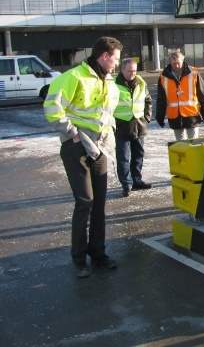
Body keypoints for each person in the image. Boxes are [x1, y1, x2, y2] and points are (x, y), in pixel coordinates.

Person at [43, 36, 122, 277]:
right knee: (85, 201)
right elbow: (52, 106)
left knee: (99, 203)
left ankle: (98, 253)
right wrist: (72, 133)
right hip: (76, 147)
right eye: (116, 59)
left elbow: (107, 114)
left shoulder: (109, 81)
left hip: (99, 148)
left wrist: (109, 137)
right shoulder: (74, 77)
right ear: (105, 56)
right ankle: (79, 259)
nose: (117, 64)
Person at [114, 58, 152, 197]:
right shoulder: (113, 84)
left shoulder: (141, 82)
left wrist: (147, 117)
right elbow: (107, 105)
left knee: (138, 155)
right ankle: (126, 184)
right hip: (121, 126)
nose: (132, 73)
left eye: (135, 70)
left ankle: (137, 181)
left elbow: (148, 100)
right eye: (129, 71)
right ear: (122, 70)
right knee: (123, 157)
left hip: (139, 125)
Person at [156, 50, 204, 140]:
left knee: (193, 143)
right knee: (180, 144)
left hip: (192, 115)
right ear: (170, 62)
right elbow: (161, 99)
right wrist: (159, 116)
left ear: (183, 60)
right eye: (173, 63)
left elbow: (202, 93)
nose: (176, 66)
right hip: (175, 117)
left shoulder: (193, 73)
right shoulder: (163, 77)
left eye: (178, 63)